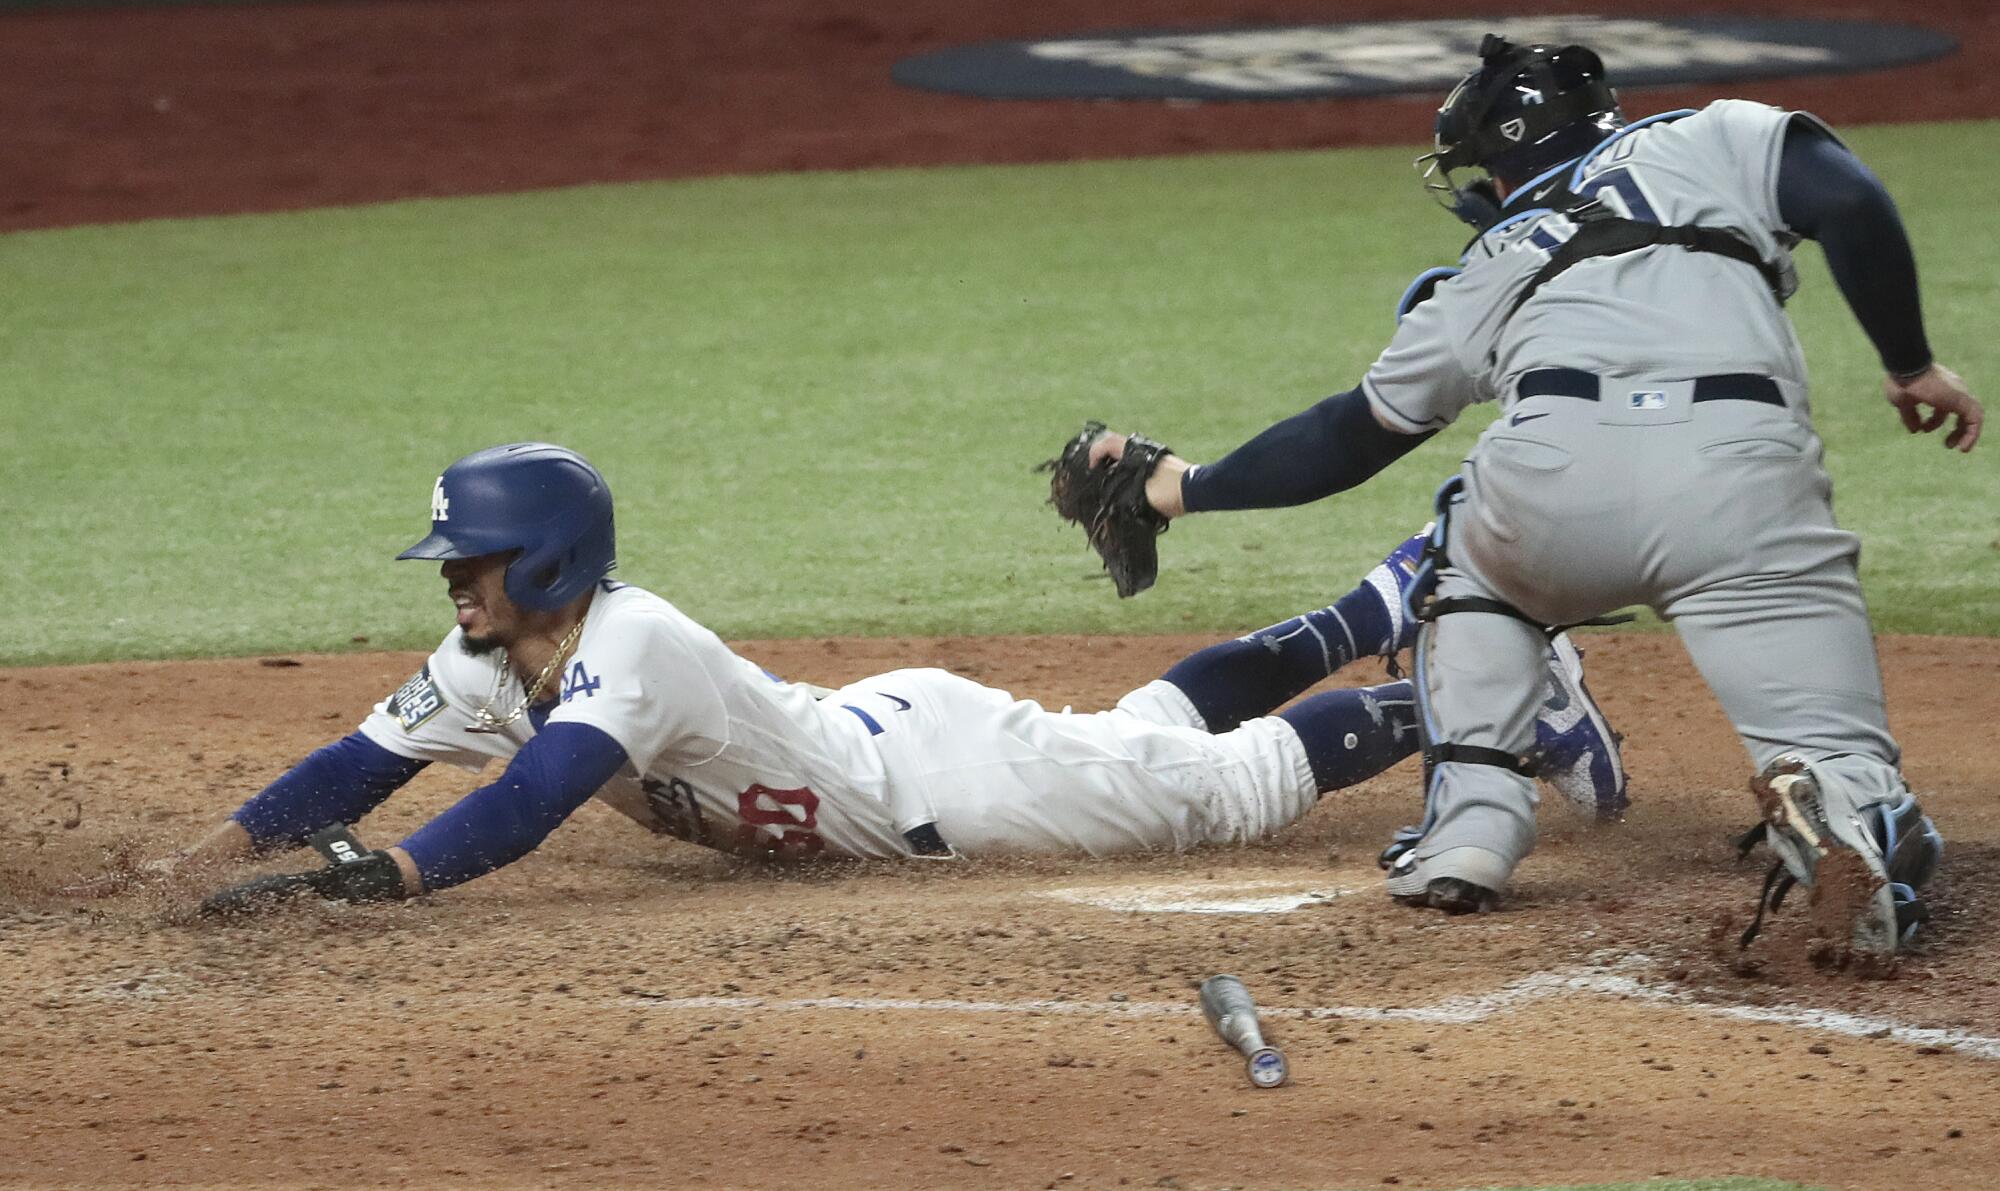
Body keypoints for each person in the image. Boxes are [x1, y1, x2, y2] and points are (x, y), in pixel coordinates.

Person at [1077, 35, 1976, 958]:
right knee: (1828, 738)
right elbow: (1853, 202)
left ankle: (1468, 832)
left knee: (1466, 571)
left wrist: (1184, 487)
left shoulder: (1487, 266)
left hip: (1549, 485)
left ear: (1501, 158)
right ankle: (1844, 810)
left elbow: (1348, 438)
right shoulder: (1715, 139)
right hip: (1738, 482)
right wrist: (1909, 364)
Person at [83, 442, 1622, 911]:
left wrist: (398, 881)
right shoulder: (496, 655)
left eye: (468, 565)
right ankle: (1381, 596)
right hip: (899, 735)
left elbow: (541, 797)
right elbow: (356, 764)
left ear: (544, 565)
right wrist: (195, 862)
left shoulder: (632, 644)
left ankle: (1481, 700)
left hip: (955, 789)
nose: (454, 587)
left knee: (1228, 782)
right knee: (1147, 726)